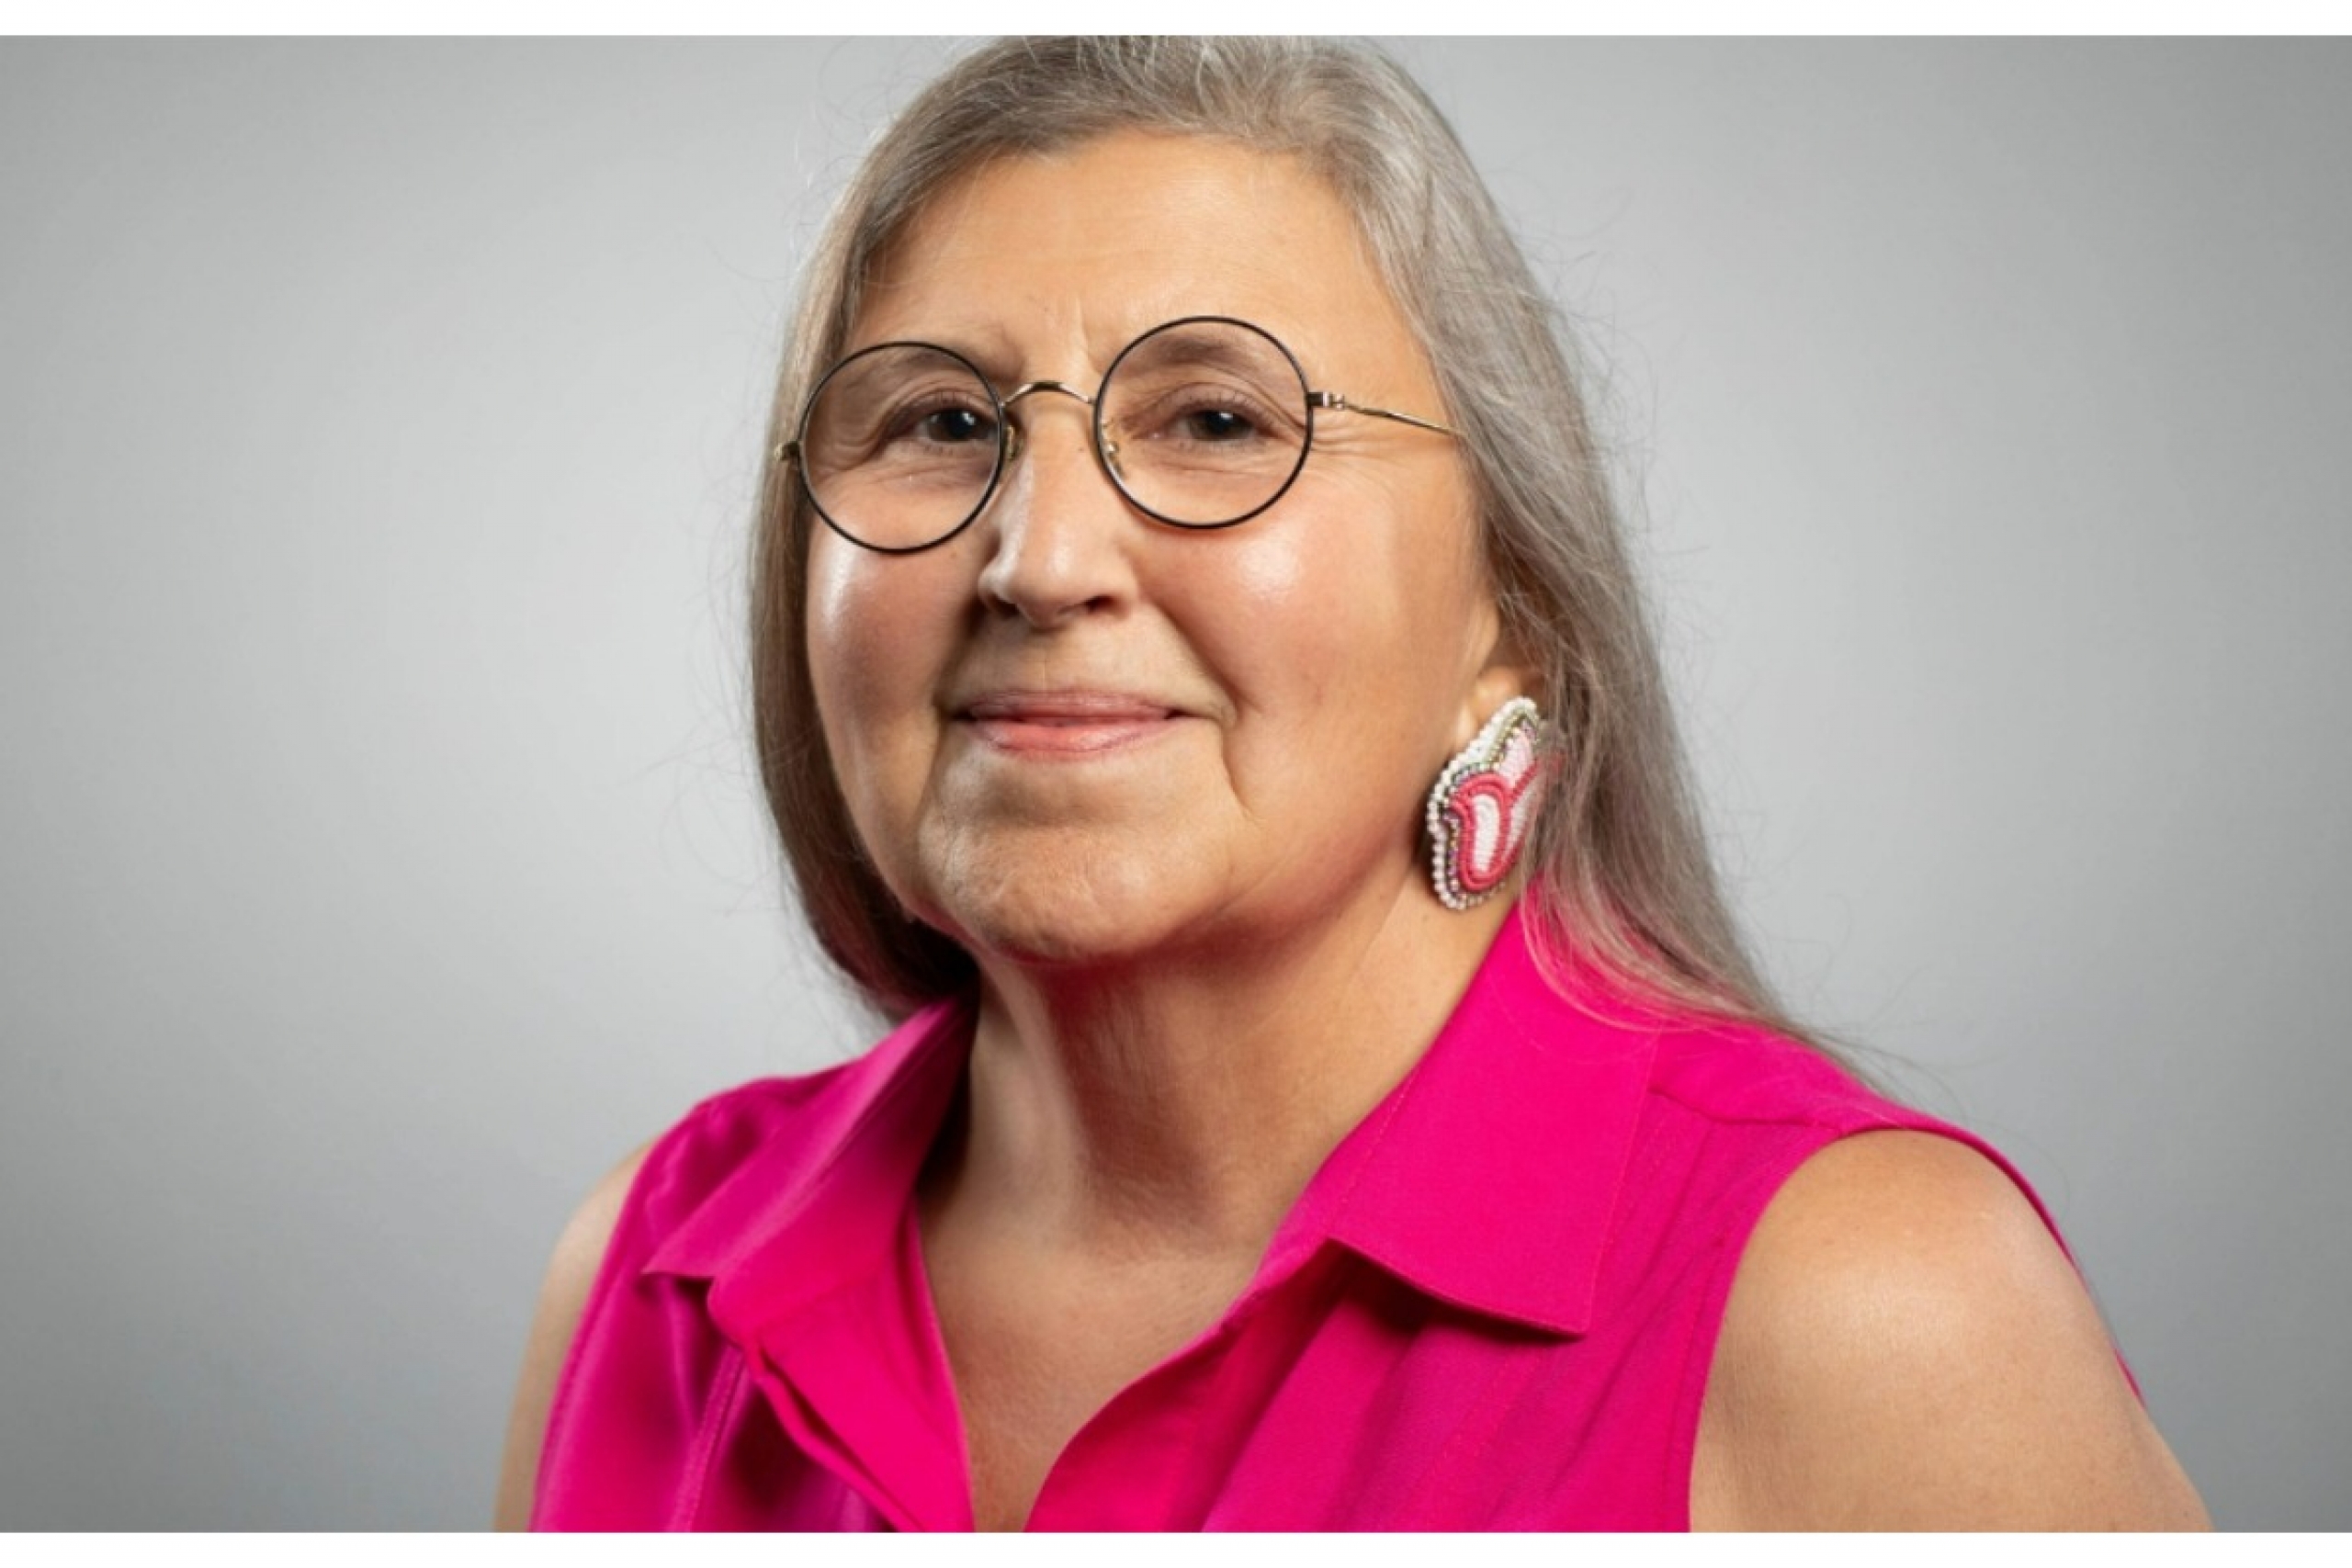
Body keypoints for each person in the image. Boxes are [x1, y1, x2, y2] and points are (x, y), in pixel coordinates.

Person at [495, 38, 2208, 1530]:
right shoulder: (642, 1277)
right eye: (941, 423)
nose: (1041, 556)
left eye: (1220, 421)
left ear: (1508, 608)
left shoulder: (1856, 1308)